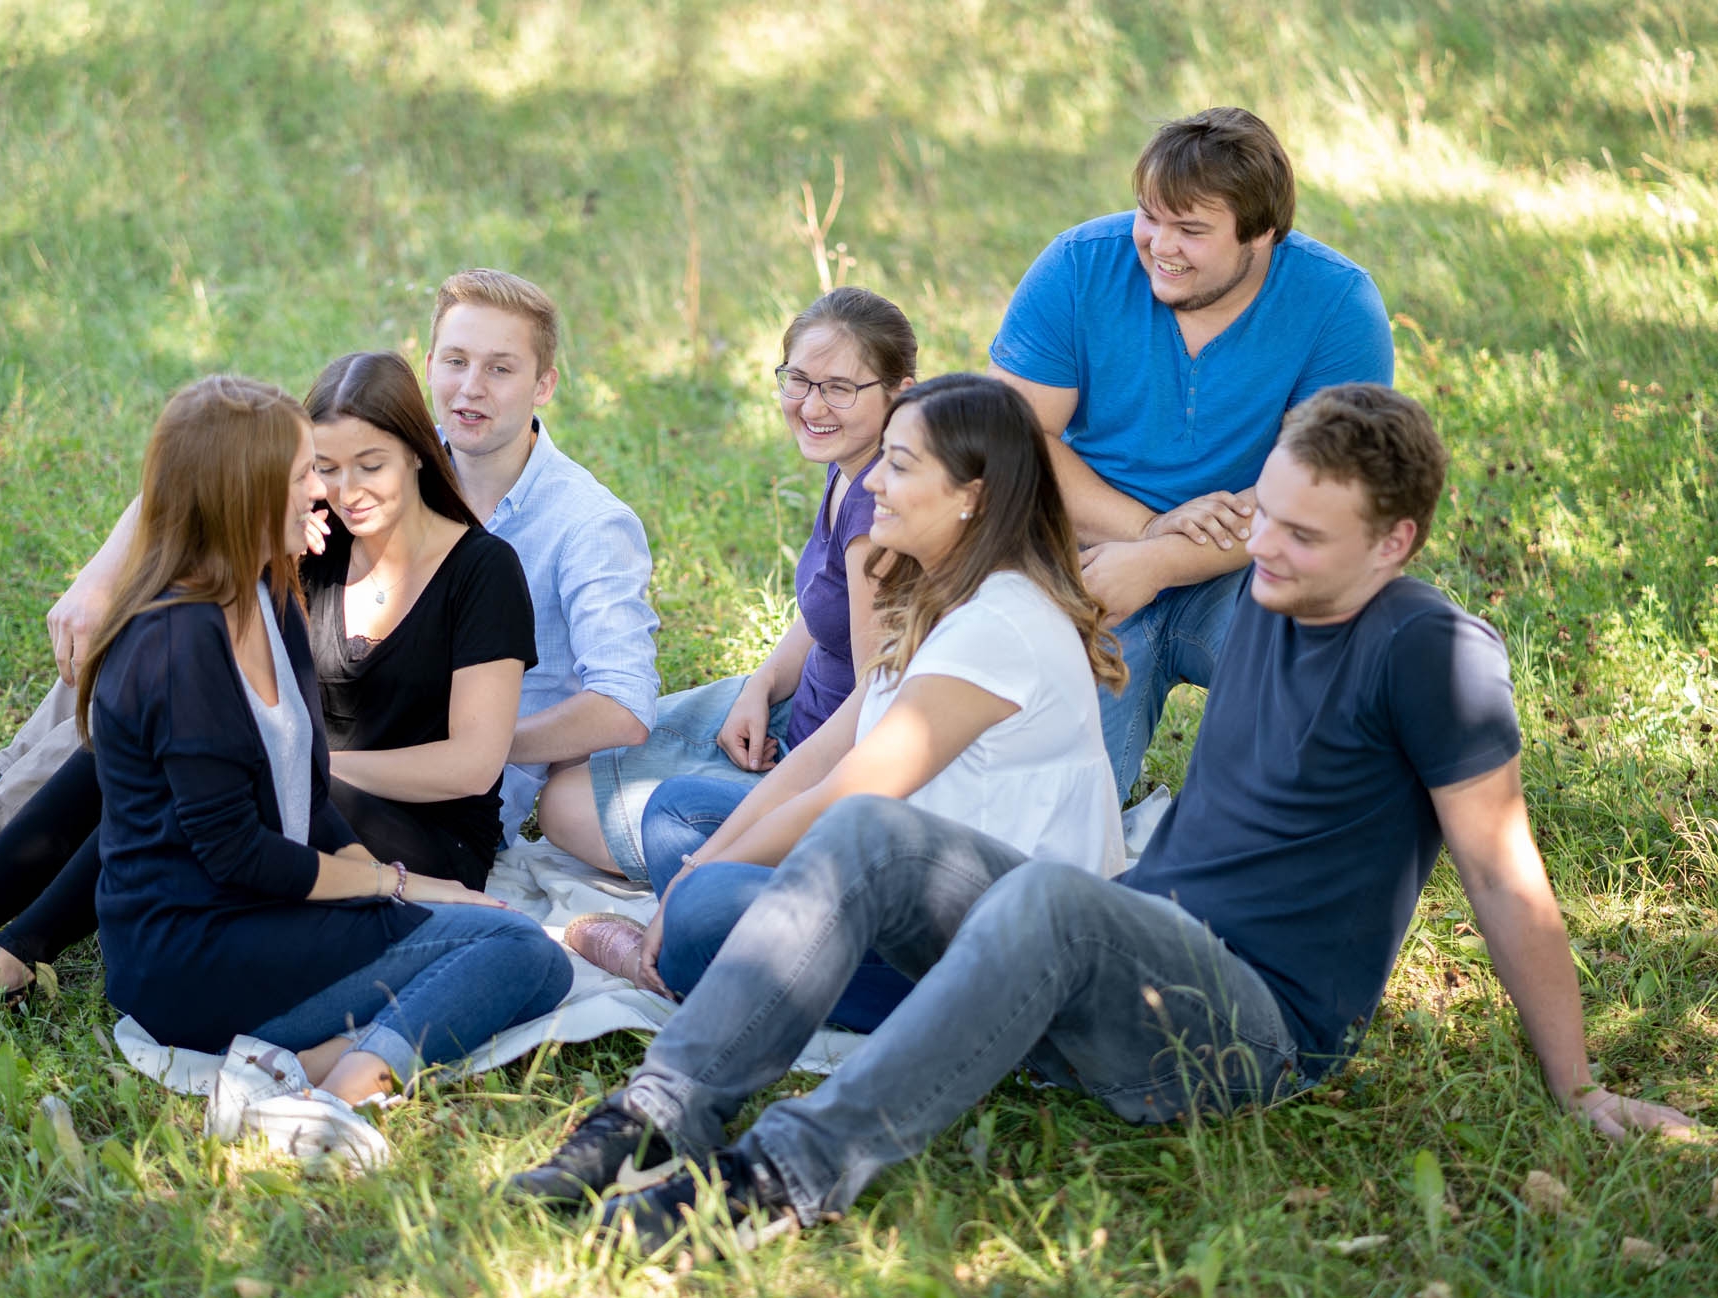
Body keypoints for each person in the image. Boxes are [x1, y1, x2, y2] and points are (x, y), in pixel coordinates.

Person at [504, 383, 1697, 1249]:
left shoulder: (1433, 653)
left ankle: (783, 1175)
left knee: (1054, 897)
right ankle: (659, 1112)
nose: (1261, 547)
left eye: (1300, 534)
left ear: (1395, 543)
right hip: (1126, 942)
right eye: (1263, 512)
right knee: (866, 832)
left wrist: (1578, 1086)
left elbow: (1504, 871)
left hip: (1250, 1022)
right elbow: (1066, 588)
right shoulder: (1267, 592)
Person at [0, 269, 659, 913]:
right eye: (457, 361)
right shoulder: (389, 438)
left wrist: (477, 728)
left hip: (424, 785)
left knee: (194, 737)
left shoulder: (585, 524)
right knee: (151, 626)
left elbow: (623, 705)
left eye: (501, 369)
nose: (472, 389)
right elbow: (216, 468)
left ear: (544, 384)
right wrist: (97, 582)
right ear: (426, 361)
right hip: (324, 700)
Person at [0, 353, 549, 1038]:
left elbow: (471, 767)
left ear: (421, 453)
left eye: (368, 466)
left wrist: (286, 769)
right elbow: (196, 481)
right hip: (294, 799)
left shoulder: (481, 570)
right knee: (126, 761)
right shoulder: (302, 543)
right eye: (322, 467)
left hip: (417, 824)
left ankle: (6, 965)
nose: (337, 492)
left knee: (200, 786)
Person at [82, 373, 569, 1168]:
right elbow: (238, 853)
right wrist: (394, 888)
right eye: (308, 472)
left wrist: (405, 879)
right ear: (245, 494)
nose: (325, 492)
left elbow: (308, 797)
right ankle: (338, 1095)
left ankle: (287, 1067)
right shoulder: (178, 645)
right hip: (193, 948)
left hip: (264, 911)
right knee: (521, 955)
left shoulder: (269, 597)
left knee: (517, 944)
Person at [572, 374, 1127, 1038]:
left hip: (989, 948)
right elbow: (824, 754)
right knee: (676, 814)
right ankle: (699, 945)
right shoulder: (945, 592)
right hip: (904, 875)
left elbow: (845, 794)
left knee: (705, 908)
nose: (870, 484)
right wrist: (701, 863)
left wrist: (695, 887)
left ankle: (677, 959)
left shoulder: (995, 627)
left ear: (970, 499)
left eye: (898, 465)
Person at [988, 105, 1394, 799]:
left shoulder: (1336, 304)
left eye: (1191, 229)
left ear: (1261, 234)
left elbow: (1320, 497)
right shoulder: (1079, 266)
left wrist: (1161, 560)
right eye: (1150, 215)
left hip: (1251, 562)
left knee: (1347, 674)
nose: (1158, 245)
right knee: (1052, 811)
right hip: (1091, 557)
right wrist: (1142, 532)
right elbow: (1009, 440)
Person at [538, 287, 915, 883]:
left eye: (840, 388)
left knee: (565, 805)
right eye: (798, 380)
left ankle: (731, 870)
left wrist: (770, 812)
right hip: (791, 709)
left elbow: (876, 706)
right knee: (572, 749)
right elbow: (830, 612)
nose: (813, 406)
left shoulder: (877, 512)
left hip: (817, 759)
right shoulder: (850, 465)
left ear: (901, 394)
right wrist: (760, 685)